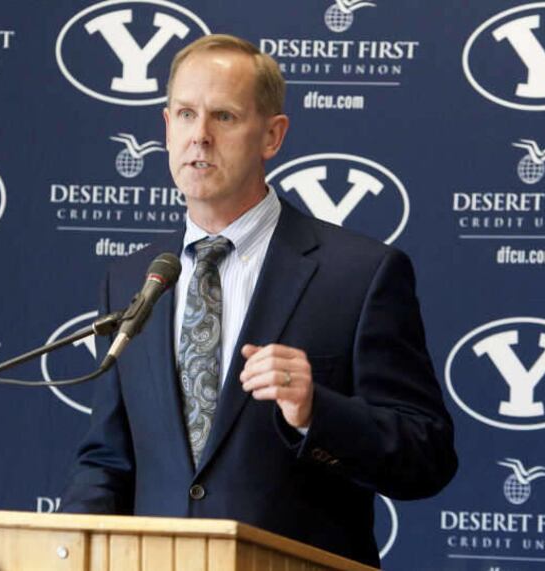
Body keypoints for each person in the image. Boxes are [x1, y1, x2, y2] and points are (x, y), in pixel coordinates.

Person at [62, 34, 457, 567]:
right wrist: (67, 550)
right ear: (166, 126)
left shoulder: (359, 275)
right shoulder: (133, 279)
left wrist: (316, 411)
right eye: (184, 114)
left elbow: (427, 455)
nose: (198, 136)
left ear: (272, 136)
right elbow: (108, 459)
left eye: (223, 117)